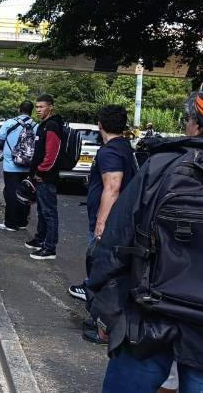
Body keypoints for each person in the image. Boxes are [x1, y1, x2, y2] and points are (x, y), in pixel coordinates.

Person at [88, 45, 203, 392]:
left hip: (147, 321)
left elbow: (115, 246)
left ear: (197, 121)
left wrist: (105, 310)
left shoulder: (163, 167)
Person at [69, 106, 136, 345]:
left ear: (100, 124)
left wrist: (101, 223)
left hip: (111, 225)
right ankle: (103, 322)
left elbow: (112, 187)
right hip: (121, 223)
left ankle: (104, 328)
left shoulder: (110, 151)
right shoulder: (124, 147)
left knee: (103, 274)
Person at [25, 94, 63, 260]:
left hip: (46, 178)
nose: (38, 110)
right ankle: (40, 240)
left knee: (49, 212)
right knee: (42, 210)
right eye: (37, 107)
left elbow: (51, 154)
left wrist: (41, 172)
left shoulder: (52, 126)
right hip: (40, 177)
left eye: (41, 107)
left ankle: (49, 248)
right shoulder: (44, 125)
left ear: (51, 107)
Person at [0, 100, 36, 231]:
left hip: (11, 165)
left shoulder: (10, 123)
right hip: (28, 165)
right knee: (25, 192)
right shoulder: (36, 126)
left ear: (19, 109)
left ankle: (10, 223)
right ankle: (22, 222)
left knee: (11, 193)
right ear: (32, 110)